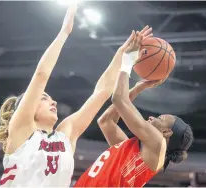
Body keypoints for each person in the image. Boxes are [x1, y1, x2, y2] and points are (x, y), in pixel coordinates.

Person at [0, 3, 153, 187]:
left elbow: (101, 92)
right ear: (26, 109)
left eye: (50, 98)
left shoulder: (65, 134)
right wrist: (64, 32)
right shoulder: (21, 131)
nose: (54, 101)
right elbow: (41, 75)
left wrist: (124, 55)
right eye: (43, 98)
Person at [74, 35, 193, 187]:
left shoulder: (158, 145)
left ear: (166, 133)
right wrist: (139, 87)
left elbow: (118, 99)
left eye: (160, 118)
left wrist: (128, 60)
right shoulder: (134, 150)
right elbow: (106, 121)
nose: (152, 117)